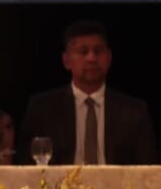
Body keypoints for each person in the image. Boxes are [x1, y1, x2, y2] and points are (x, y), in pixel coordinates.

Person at [17, 19, 156, 165]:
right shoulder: (42, 108)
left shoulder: (134, 111)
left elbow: (148, 170)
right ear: (66, 61)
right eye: (83, 52)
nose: (92, 58)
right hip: (61, 186)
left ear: (109, 58)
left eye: (98, 51)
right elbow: (26, 167)